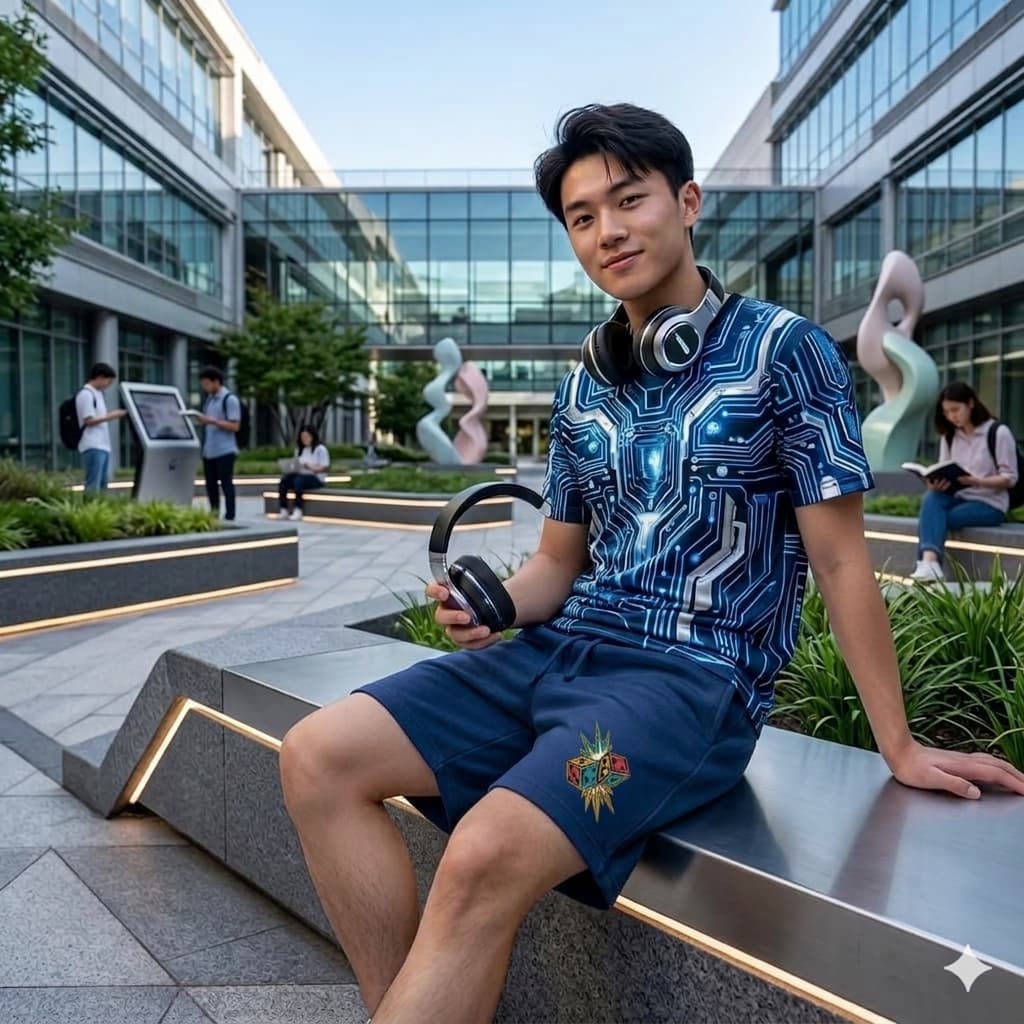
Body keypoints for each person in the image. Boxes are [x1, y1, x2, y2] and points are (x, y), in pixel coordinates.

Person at [278, 104, 1024, 1024]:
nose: (607, 231)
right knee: (315, 757)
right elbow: (556, 564)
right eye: (583, 217)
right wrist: (495, 608)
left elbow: (839, 564)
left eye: (628, 200)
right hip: (558, 652)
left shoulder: (786, 353)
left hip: (687, 691)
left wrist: (897, 748)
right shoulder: (586, 382)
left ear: (688, 200)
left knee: (481, 855)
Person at [911, 381, 1019, 581]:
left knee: (934, 518)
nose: (952, 416)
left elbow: (1010, 478)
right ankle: (930, 563)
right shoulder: (950, 436)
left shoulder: (998, 433)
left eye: (955, 409)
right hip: (958, 497)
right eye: (946, 412)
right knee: (932, 498)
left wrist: (977, 481)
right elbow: (942, 468)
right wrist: (934, 482)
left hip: (990, 504)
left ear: (970, 404)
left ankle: (927, 563)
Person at [196, 366, 241, 522]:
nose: (205, 388)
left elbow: (235, 426)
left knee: (226, 483)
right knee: (210, 485)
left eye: (207, 384)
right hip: (209, 450)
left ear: (216, 382)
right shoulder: (209, 400)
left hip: (225, 450)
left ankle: (230, 515)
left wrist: (212, 421)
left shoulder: (230, 399)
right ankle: (214, 513)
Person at [76, 362, 127, 493]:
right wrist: (112, 416)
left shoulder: (99, 394)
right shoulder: (86, 394)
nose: (108, 385)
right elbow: (89, 420)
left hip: (103, 444)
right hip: (92, 444)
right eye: (108, 381)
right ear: (99, 377)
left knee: (103, 483)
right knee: (93, 483)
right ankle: (91, 509)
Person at [277, 424, 330, 521]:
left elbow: (324, 467)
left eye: (307, 437)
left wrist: (310, 466)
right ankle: (283, 510)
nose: (304, 439)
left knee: (299, 481)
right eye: (302, 437)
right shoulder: (299, 450)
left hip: (316, 478)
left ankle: (298, 510)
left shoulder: (320, 449)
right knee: (284, 480)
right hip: (301, 475)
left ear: (312, 436)